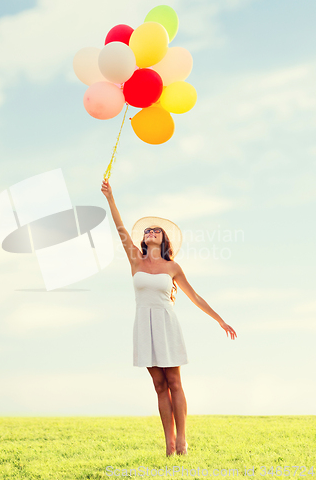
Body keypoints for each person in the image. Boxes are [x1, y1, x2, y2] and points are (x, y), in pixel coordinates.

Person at [101, 179, 237, 457]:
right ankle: (169, 443)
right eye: (148, 230)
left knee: (174, 382)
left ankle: (183, 440)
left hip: (166, 324)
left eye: (156, 231)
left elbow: (195, 297)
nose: (151, 232)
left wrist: (220, 320)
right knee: (159, 385)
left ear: (164, 240)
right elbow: (120, 228)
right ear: (143, 239)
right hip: (143, 325)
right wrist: (110, 197)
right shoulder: (135, 260)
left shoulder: (172, 266)